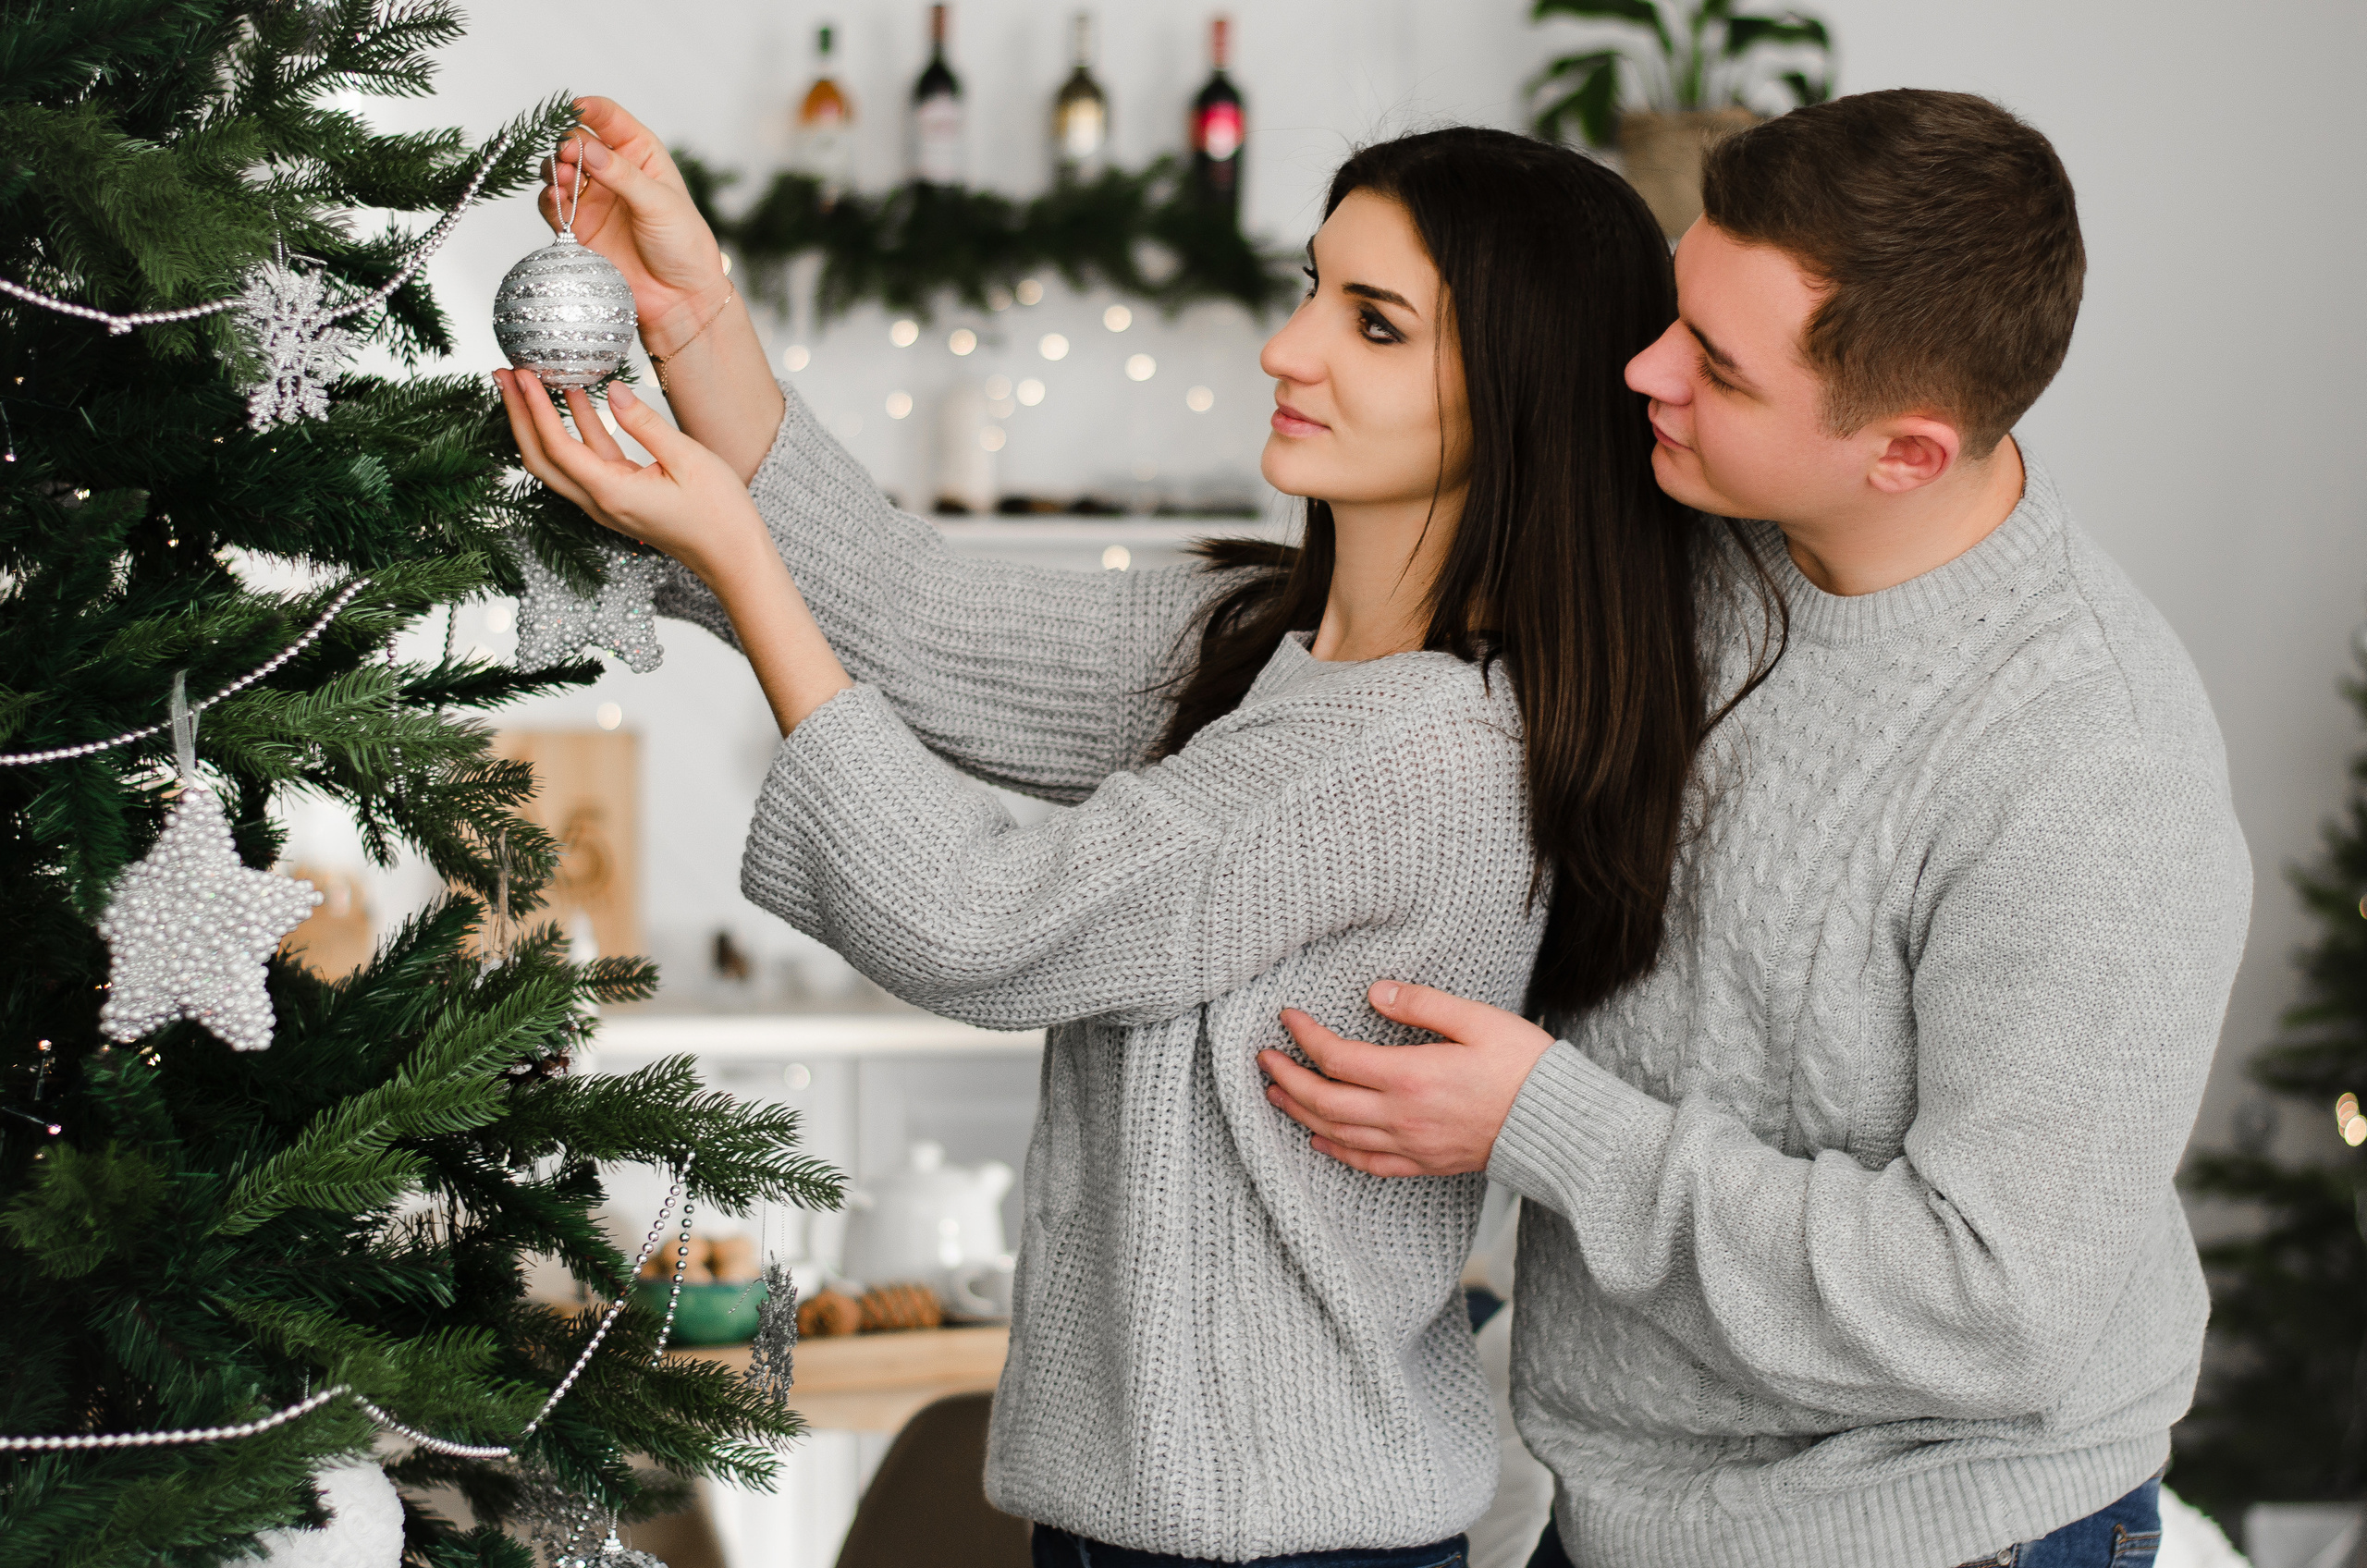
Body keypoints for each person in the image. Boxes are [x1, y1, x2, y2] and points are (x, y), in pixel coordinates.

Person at [497, 121, 1750, 1567]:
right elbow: (921, 622)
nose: (1290, 350)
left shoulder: (1417, 749)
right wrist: (699, 314)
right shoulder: (1267, 641)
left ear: (1518, 397)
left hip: (1276, 1547)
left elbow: (982, 920)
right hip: (1135, 1526)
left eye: (1376, 324)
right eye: (1311, 288)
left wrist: (732, 559)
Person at [1257, 91, 2253, 1568]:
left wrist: (1550, 1125)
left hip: (1926, 1539)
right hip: (1600, 1501)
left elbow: (1993, 1305)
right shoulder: (1687, 518)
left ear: (1906, 453)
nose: (1645, 368)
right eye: (1676, 306)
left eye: (1716, 365)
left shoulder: (2087, 763)